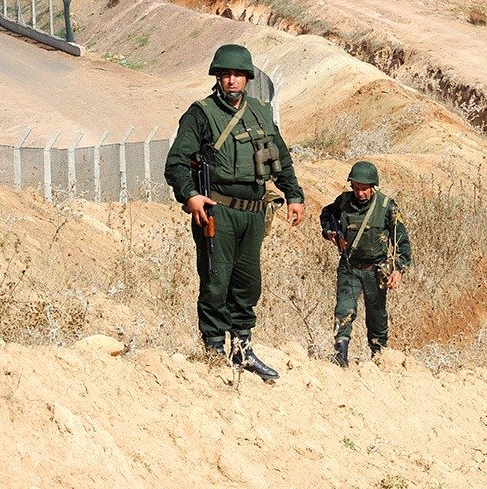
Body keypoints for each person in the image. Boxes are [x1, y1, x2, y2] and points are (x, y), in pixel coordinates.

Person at [164, 43, 305, 381]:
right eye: (225, 74)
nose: (231, 81)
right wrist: (191, 196)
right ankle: (213, 349)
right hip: (218, 210)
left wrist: (294, 194)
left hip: (254, 212)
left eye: (237, 75)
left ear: (247, 78)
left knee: (247, 283)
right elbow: (177, 163)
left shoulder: (260, 112)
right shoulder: (201, 113)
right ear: (217, 77)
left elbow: (281, 159)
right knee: (216, 280)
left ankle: (242, 350)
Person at [319, 161, 411, 367]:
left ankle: (379, 357)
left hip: (376, 270)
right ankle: (340, 354)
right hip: (350, 267)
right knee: (344, 310)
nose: (360, 193)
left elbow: (401, 241)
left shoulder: (387, 206)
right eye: (356, 188)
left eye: (364, 189)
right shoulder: (342, 202)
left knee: (377, 316)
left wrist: (398, 269)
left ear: (373, 186)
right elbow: (326, 215)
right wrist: (330, 233)